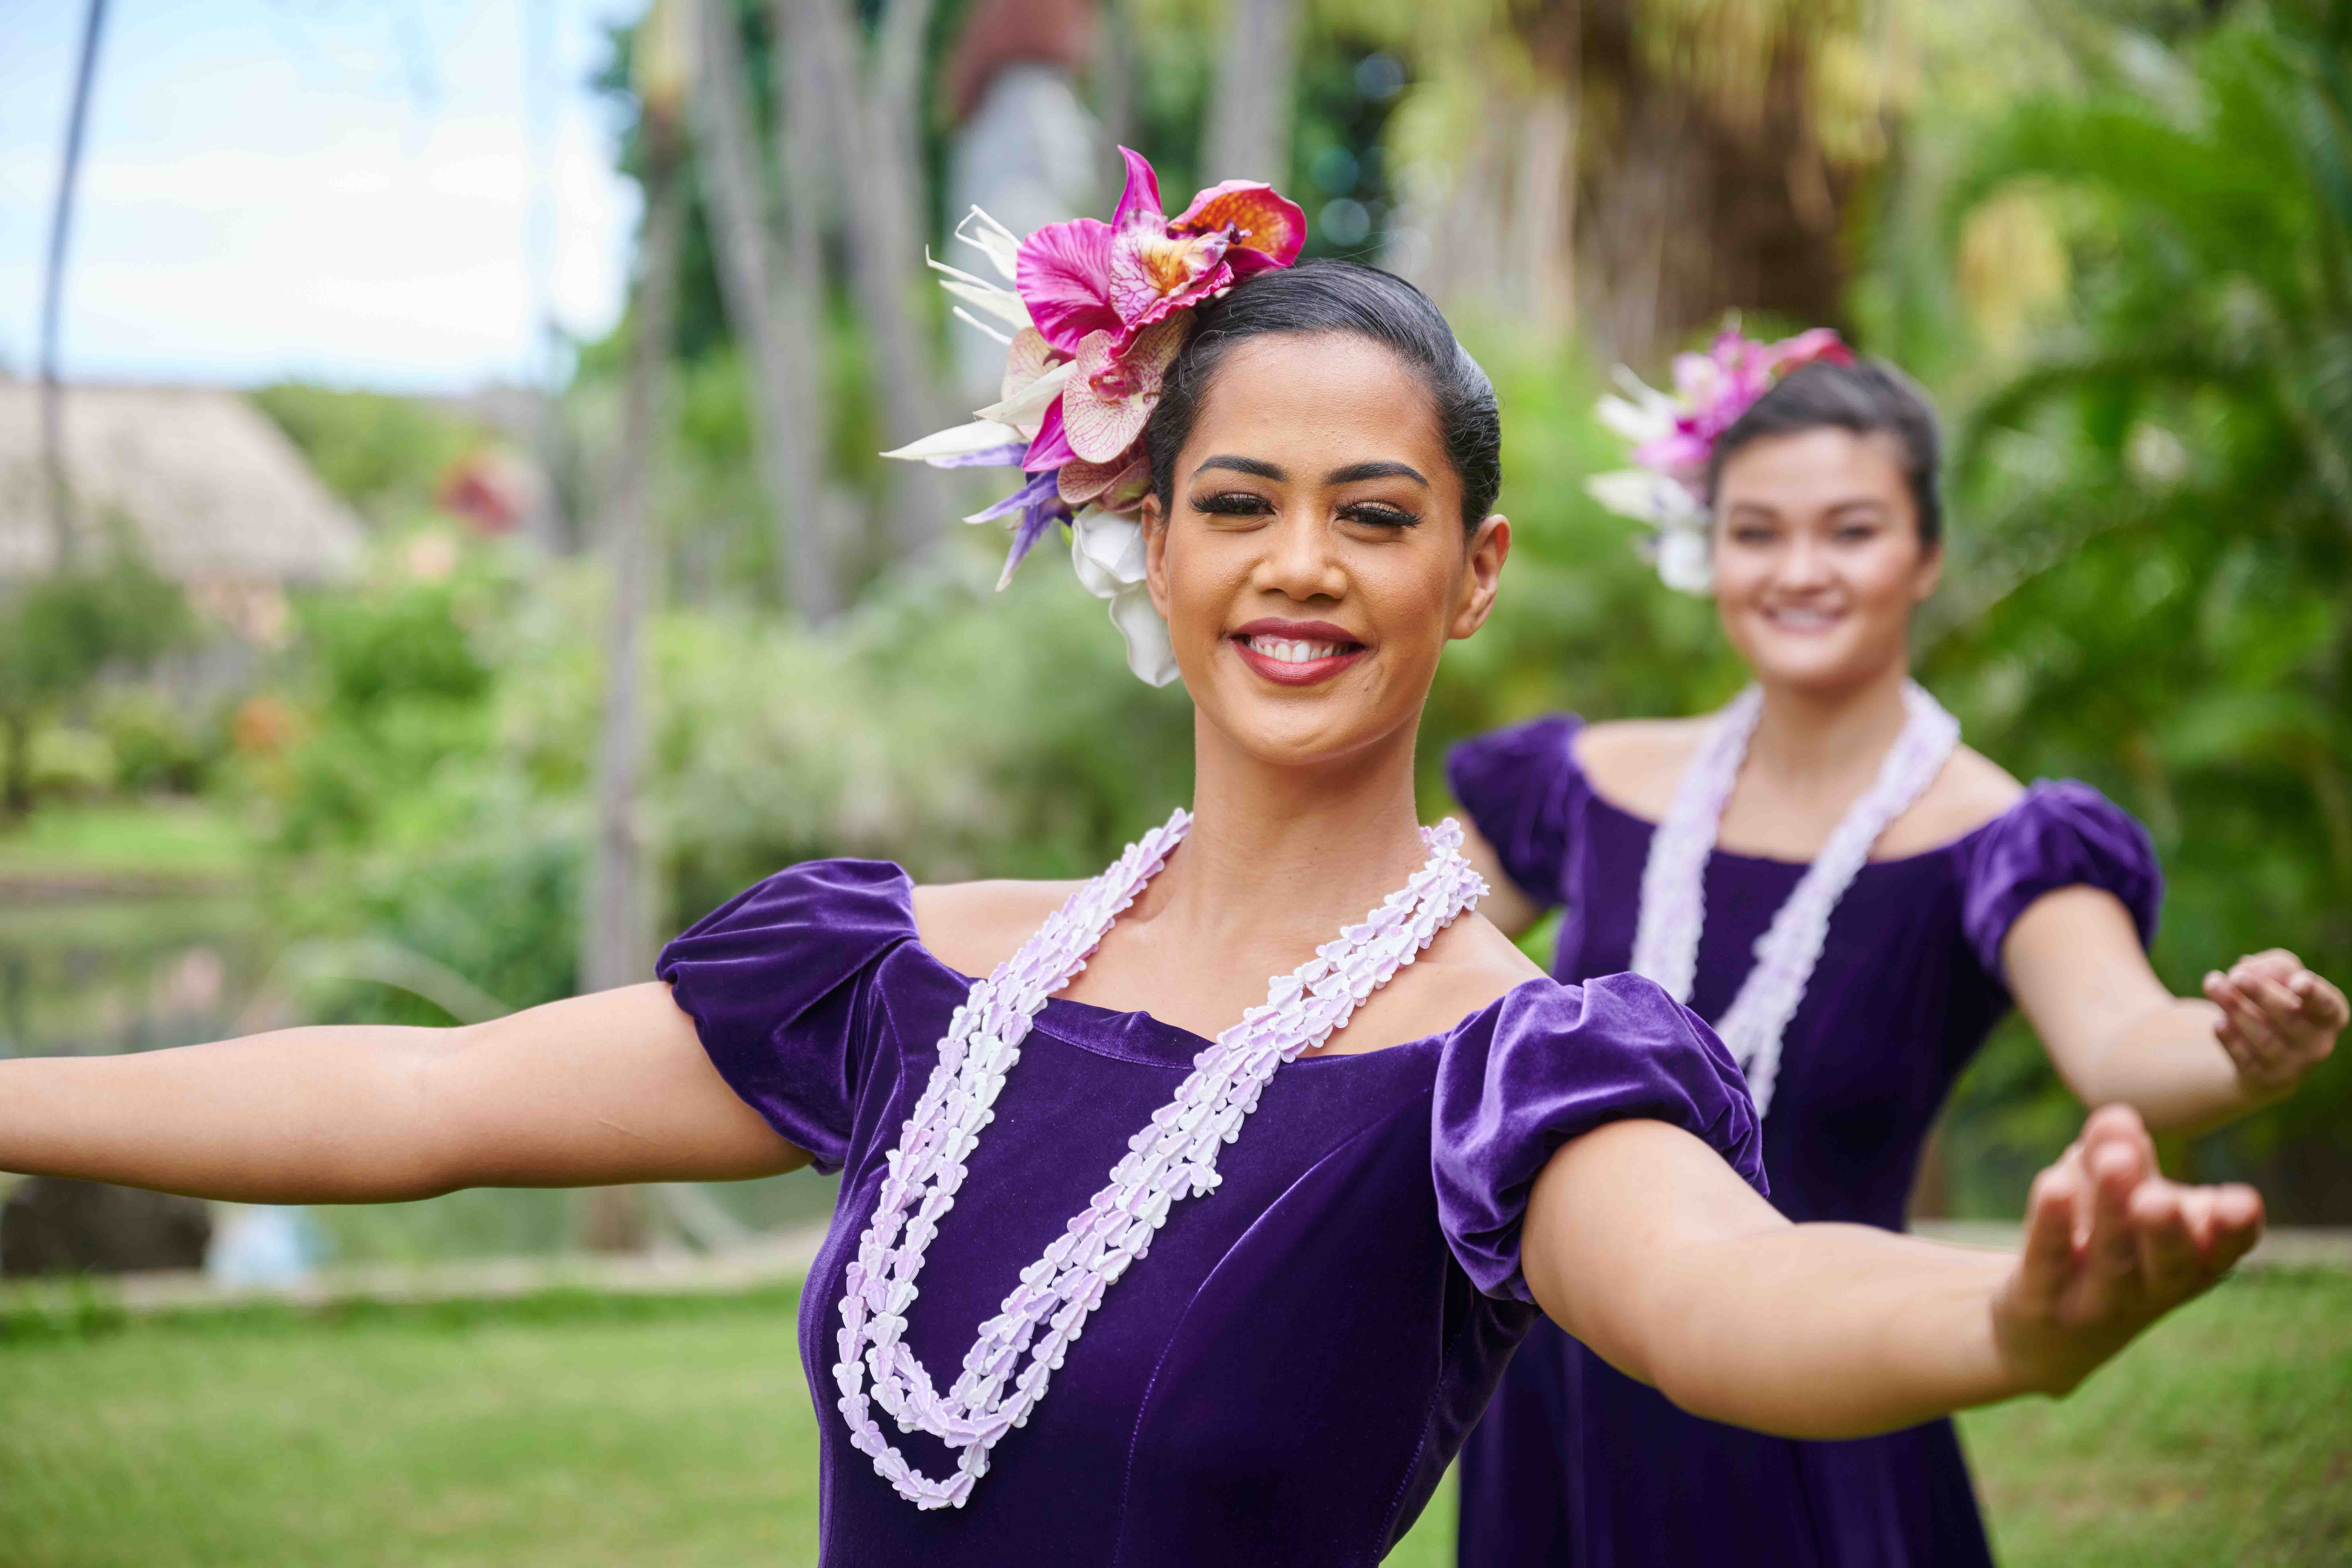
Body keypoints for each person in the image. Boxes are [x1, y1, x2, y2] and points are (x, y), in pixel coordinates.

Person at [0, 162, 2270, 1568]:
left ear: (1471, 575)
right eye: (1240, 502)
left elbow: (1737, 1297)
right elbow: (422, 1098)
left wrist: (2004, 1320)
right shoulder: (904, 984)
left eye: (1375, 513)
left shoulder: (1513, 1073)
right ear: (1146, 538)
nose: (1303, 566)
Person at [1448, 333, 2346, 1568]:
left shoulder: (2001, 839)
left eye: (1850, 530)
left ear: (1925, 553)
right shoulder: (1584, 785)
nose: (1798, 568)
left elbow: (2126, 1041)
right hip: (1565, 1404)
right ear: (1708, 545)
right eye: (1757, 530)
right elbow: (1365, 951)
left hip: (1831, 1395)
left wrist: (2245, 1046)